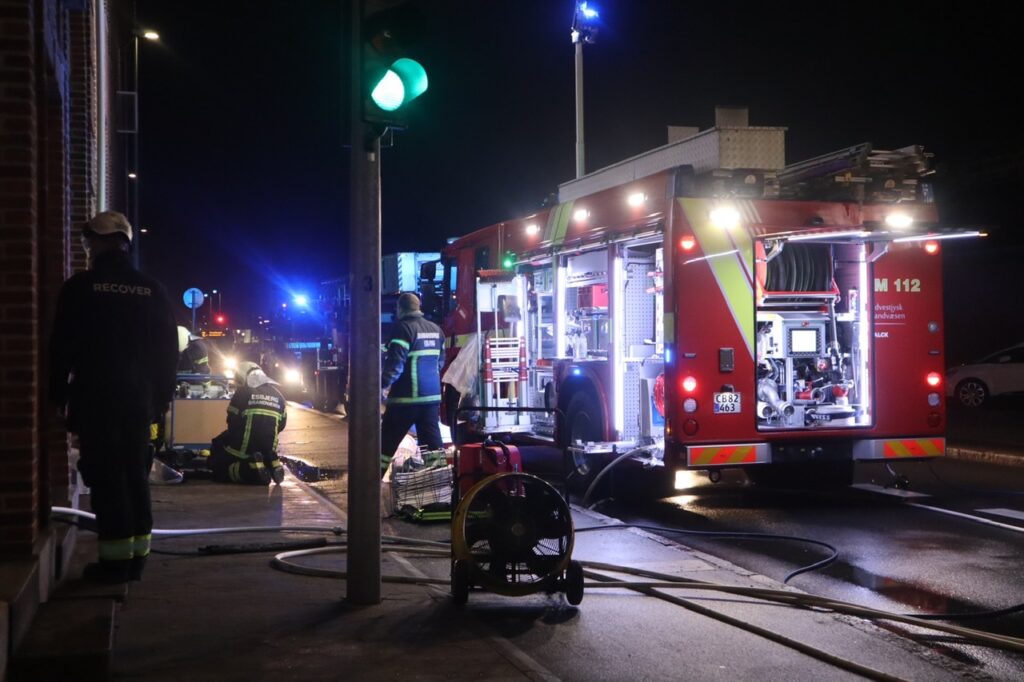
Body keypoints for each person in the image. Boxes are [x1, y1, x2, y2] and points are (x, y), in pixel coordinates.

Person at [49, 211, 179, 584]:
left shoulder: (80, 288)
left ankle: (114, 565)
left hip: (97, 397)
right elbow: (167, 353)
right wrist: (159, 400)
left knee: (106, 478)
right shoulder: (152, 289)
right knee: (135, 473)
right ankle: (136, 559)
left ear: (98, 243)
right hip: (139, 401)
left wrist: (57, 394)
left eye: (89, 243)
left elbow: (61, 346)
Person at [380, 293, 445, 478]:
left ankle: (370, 482)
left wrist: (381, 385)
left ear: (400, 309)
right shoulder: (436, 330)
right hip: (431, 399)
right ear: (418, 307)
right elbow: (440, 363)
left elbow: (395, 366)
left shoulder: (403, 329)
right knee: (433, 448)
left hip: (405, 399)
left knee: (385, 445)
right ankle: (440, 483)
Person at [208, 361, 288, 484]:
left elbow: (232, 422)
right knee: (261, 451)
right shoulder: (279, 396)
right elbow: (281, 425)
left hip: (243, 449)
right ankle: (271, 461)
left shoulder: (242, 393)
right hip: (268, 447)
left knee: (217, 468)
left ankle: (251, 471)